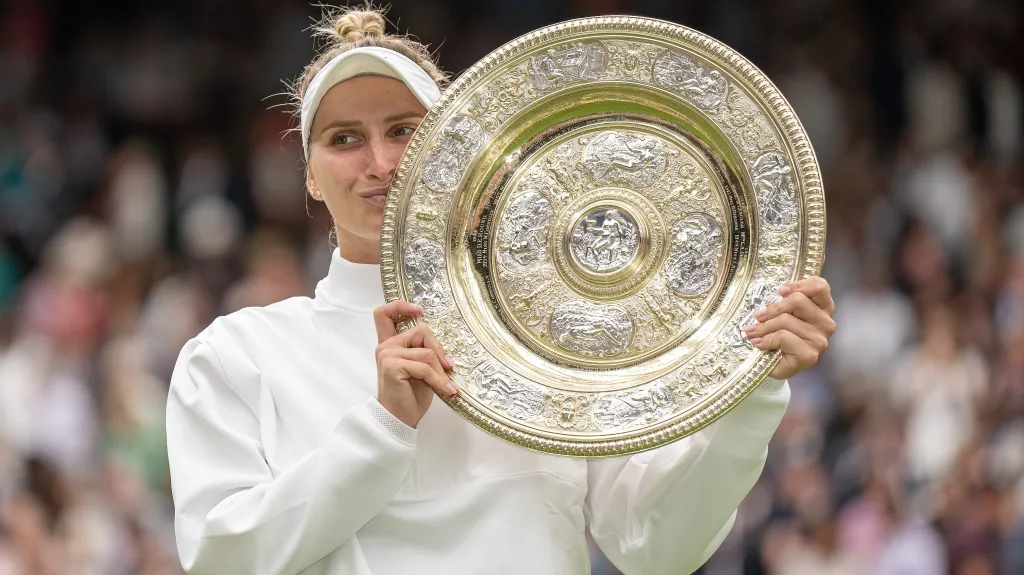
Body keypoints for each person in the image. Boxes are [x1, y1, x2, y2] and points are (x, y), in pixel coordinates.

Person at [165, 7, 837, 574]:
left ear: (458, 149)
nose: (380, 163)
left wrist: (753, 387)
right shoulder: (237, 354)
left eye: (404, 129)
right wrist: (382, 427)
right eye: (345, 139)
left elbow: (656, 547)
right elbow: (221, 557)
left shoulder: (559, 339)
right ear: (309, 174)